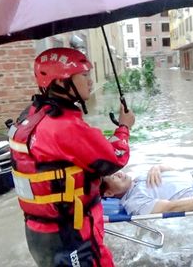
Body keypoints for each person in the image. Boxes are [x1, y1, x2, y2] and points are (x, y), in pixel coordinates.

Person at [8, 48, 135, 267]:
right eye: (84, 75)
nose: (90, 81)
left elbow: (52, 169)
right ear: (62, 82)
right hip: (72, 234)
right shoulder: (64, 127)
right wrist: (124, 126)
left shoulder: (30, 115)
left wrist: (94, 184)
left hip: (40, 232)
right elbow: (115, 158)